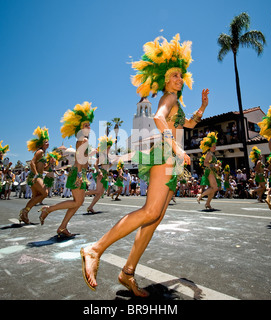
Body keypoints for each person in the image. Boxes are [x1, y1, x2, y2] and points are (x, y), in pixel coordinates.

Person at [80, 34, 209, 296]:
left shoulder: (177, 101)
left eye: (181, 76)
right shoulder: (167, 98)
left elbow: (189, 124)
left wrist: (202, 107)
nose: (179, 79)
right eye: (174, 75)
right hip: (165, 156)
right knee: (150, 212)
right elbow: (159, 120)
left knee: (155, 218)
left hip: (172, 162)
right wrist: (177, 147)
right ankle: (94, 249)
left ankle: (127, 272)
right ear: (164, 78)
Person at [38, 101, 97, 237]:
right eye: (86, 125)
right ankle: (48, 209)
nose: (89, 127)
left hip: (79, 172)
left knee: (78, 203)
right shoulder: (84, 140)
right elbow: (81, 160)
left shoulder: (81, 140)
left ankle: (62, 227)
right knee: (77, 202)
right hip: (77, 173)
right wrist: (81, 172)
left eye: (89, 124)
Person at [19, 127, 52, 224]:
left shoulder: (44, 154)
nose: (48, 143)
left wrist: (50, 164)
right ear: (41, 144)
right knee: (44, 193)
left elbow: (44, 168)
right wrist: (37, 174)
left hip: (38, 176)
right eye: (46, 142)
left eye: (48, 142)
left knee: (36, 196)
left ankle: (24, 213)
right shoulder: (40, 151)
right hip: (35, 176)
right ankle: (24, 212)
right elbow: (32, 163)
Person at [86, 135, 116, 213]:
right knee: (98, 191)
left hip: (105, 174)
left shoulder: (107, 156)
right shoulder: (102, 155)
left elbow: (107, 166)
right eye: (108, 147)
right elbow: (96, 165)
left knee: (100, 193)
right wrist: (99, 172)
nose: (109, 148)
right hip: (101, 174)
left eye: (109, 147)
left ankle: (90, 207)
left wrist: (111, 164)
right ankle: (82, 193)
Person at [197, 132, 220, 210]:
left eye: (215, 146)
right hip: (209, 172)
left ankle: (207, 204)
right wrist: (214, 165)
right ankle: (201, 195)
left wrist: (217, 166)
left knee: (212, 189)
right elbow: (205, 163)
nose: (215, 147)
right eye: (214, 146)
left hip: (212, 171)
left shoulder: (212, 154)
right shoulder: (209, 153)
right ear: (210, 147)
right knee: (215, 187)